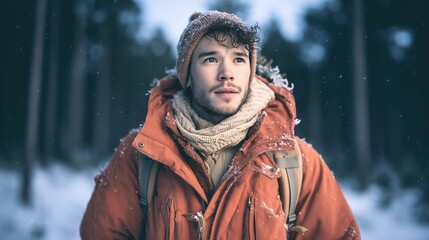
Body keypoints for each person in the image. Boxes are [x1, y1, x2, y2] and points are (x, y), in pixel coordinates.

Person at [80, 11, 360, 239]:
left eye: (238, 59)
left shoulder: (293, 160)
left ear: (250, 72)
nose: (227, 73)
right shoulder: (141, 154)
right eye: (211, 59)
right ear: (186, 74)